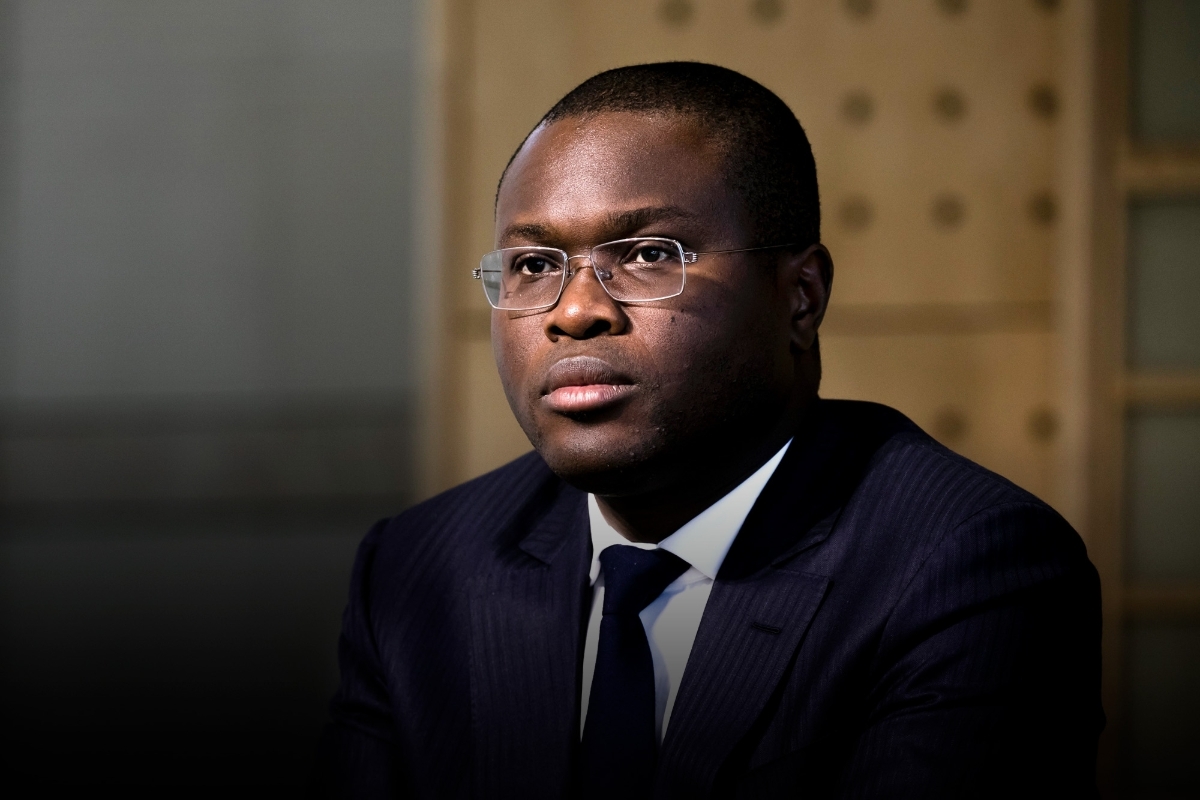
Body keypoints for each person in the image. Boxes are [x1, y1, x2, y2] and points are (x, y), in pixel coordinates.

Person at [314, 62, 1102, 799]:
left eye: (648, 254)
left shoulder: (967, 568)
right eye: (533, 266)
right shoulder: (417, 567)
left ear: (800, 297)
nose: (574, 311)